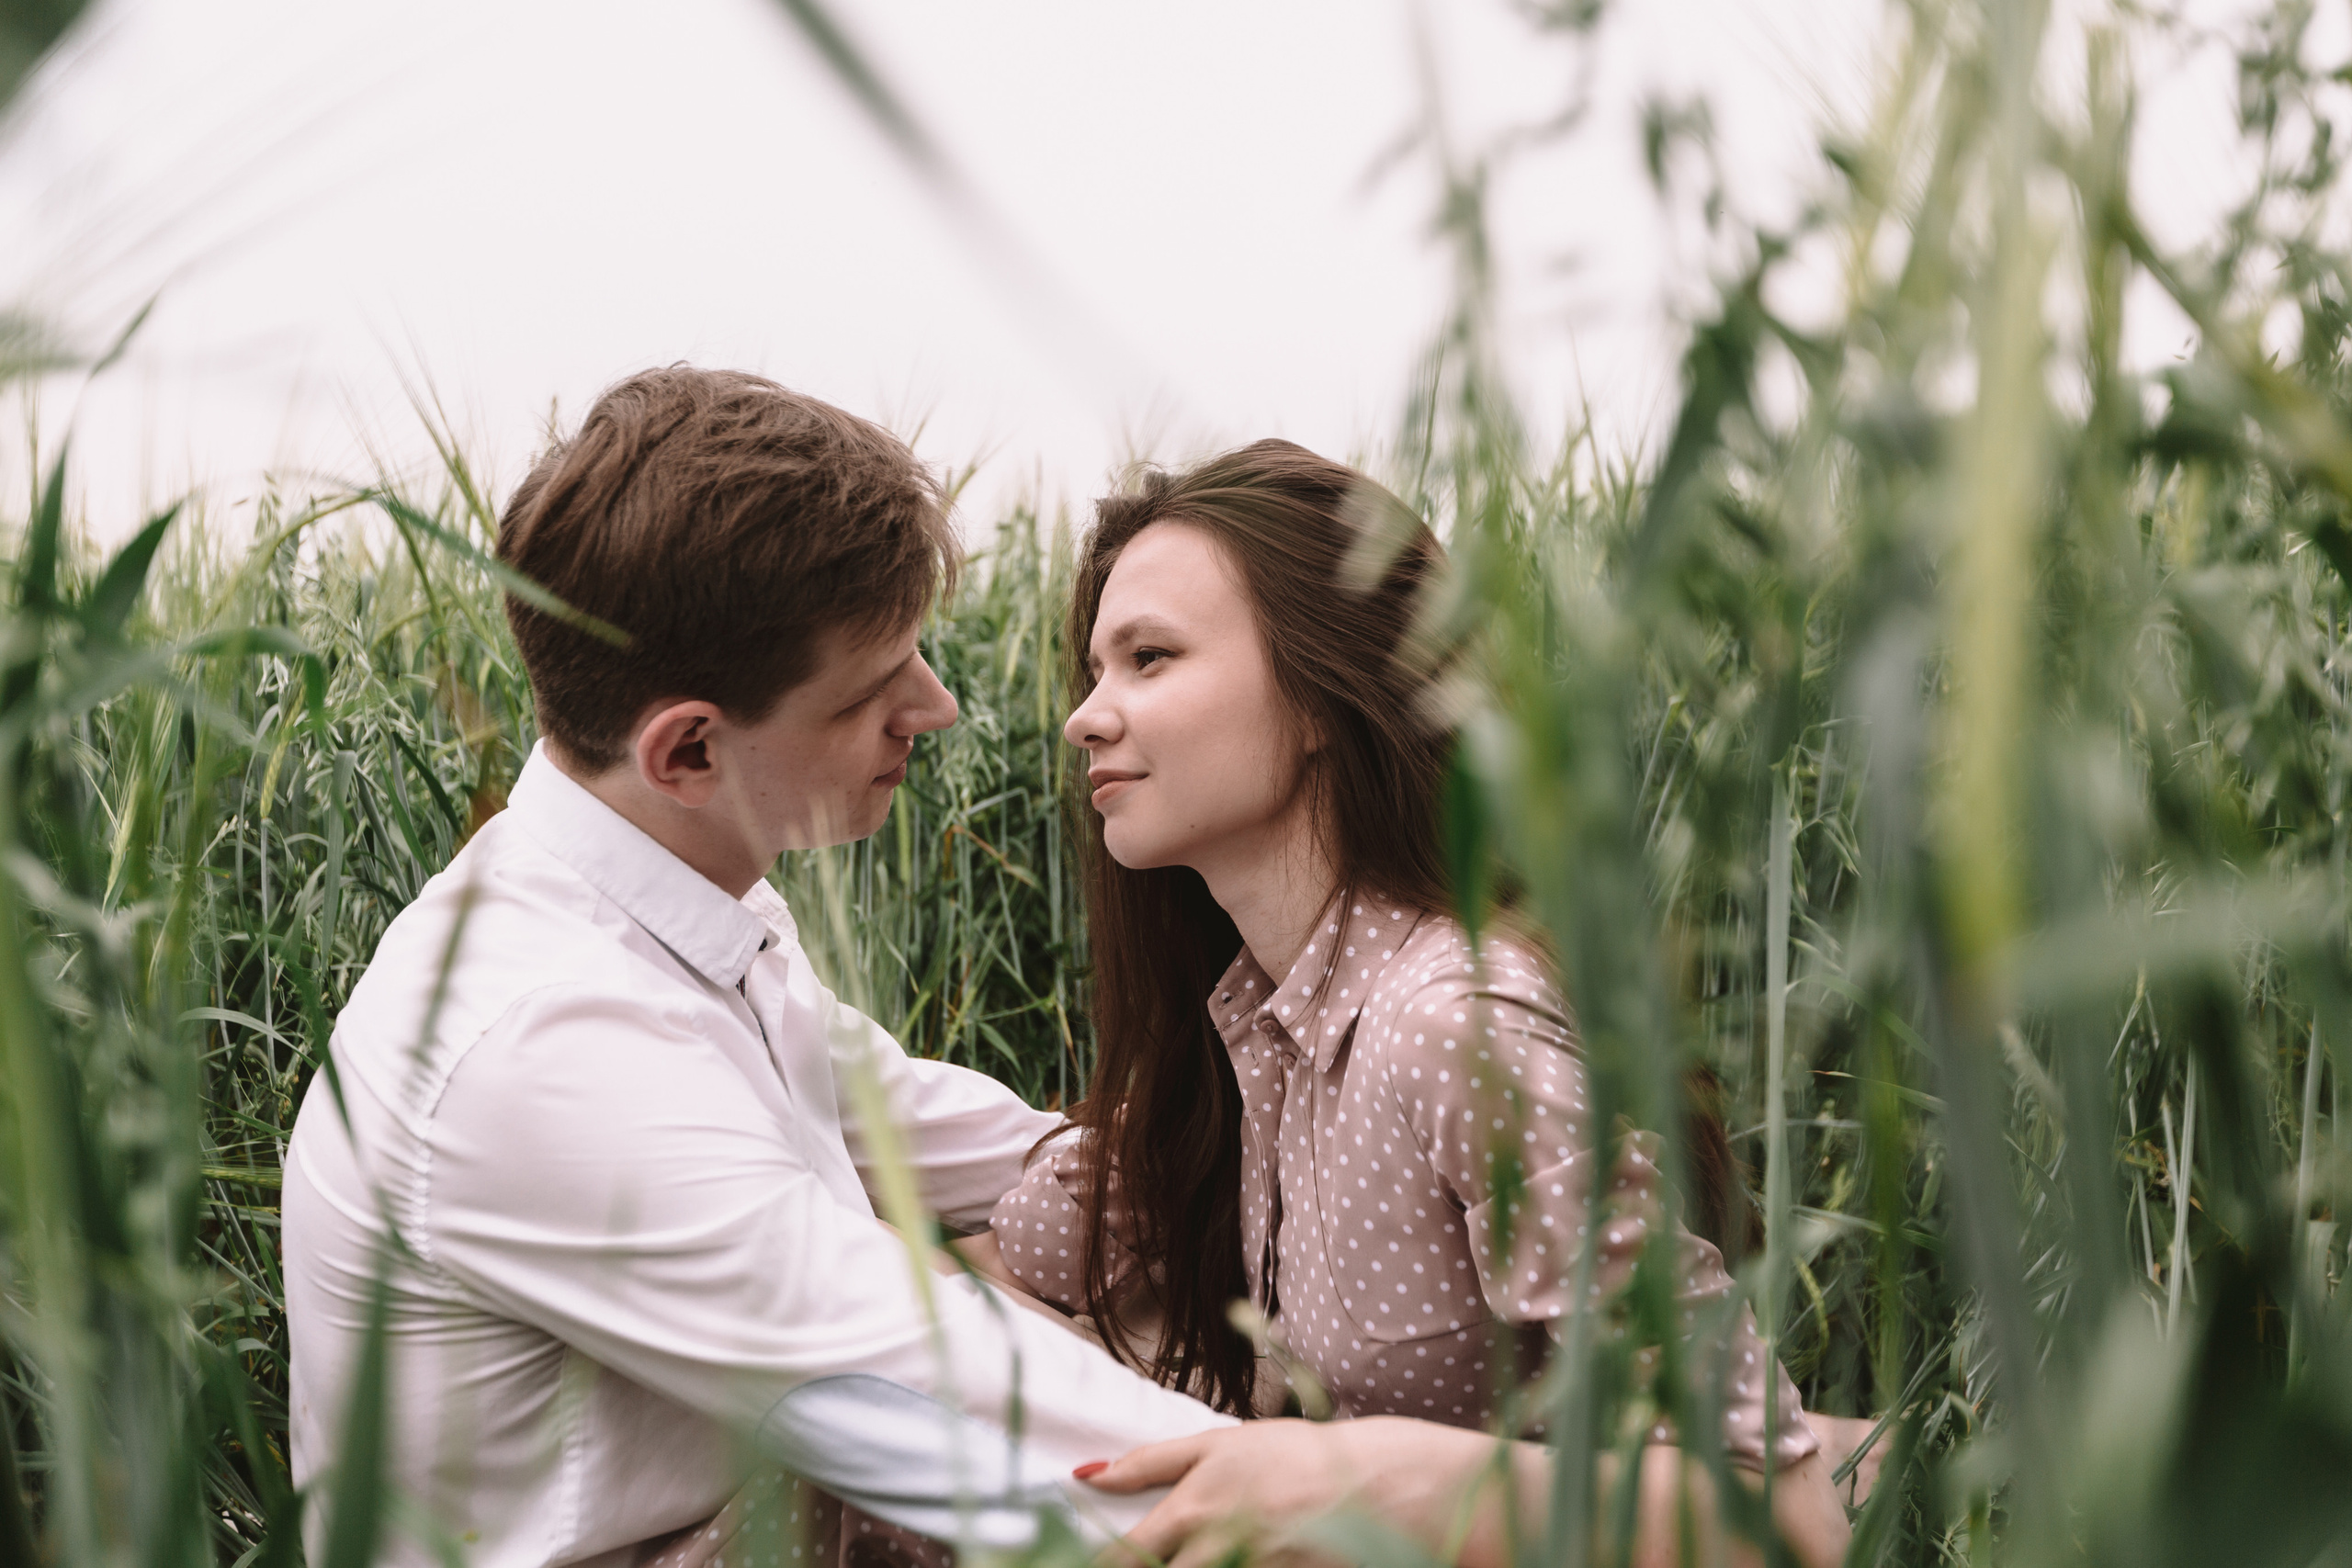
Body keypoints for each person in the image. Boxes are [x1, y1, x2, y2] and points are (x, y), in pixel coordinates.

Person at [280, 367, 1237, 1568]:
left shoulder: (673, 897)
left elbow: (913, 1121)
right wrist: (1333, 1489)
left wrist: (1241, 1158)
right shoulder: (543, 1041)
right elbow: (917, 1372)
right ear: (688, 748)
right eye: (871, 689)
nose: (934, 707)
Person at [967, 440, 1857, 1565]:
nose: (1084, 717)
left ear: (1319, 697)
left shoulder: (1450, 1025)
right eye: (1093, 673)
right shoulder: (1258, 1021)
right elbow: (1030, 1252)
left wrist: (1372, 1471)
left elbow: (1786, 1520)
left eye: (1149, 658)